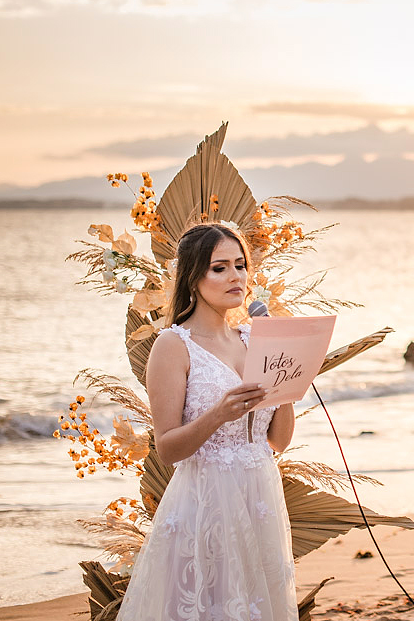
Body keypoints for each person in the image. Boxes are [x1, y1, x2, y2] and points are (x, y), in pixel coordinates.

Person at [117, 222, 297, 621]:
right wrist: (218, 415)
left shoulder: (255, 338)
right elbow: (166, 449)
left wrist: (287, 381)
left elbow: (277, 442)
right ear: (194, 278)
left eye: (240, 265)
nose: (236, 276)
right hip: (205, 501)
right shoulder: (173, 345)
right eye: (220, 268)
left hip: (260, 495)